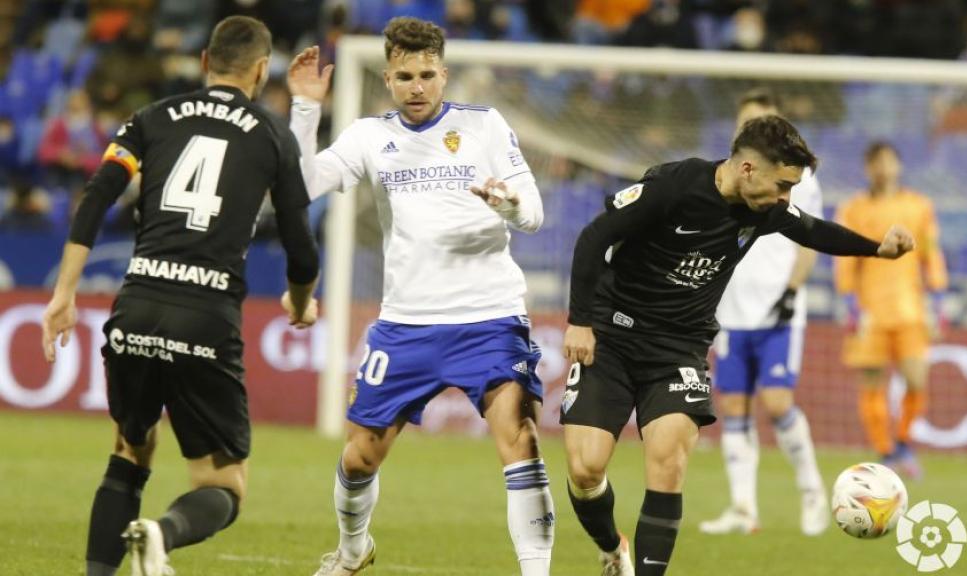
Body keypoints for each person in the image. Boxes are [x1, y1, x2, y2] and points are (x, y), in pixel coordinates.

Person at [560, 115, 915, 576]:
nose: (786, 198)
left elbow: (812, 230)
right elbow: (594, 237)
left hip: (679, 349)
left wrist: (877, 248)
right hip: (611, 336)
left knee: (667, 464)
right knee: (586, 469)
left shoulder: (766, 209)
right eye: (783, 185)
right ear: (748, 169)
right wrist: (580, 322)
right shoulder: (673, 186)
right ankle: (611, 548)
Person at [41, 16, 320, 576]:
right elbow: (302, 249)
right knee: (224, 484)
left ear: (205, 62)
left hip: (137, 306)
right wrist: (297, 300)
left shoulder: (151, 117)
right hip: (205, 318)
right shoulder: (272, 135)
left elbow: (96, 196)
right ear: (261, 70)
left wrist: (64, 294)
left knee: (129, 450)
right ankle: (160, 535)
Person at [286, 17, 554, 576]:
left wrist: (507, 204)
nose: (417, 87)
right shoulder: (369, 136)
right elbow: (303, 185)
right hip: (407, 322)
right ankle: (353, 550)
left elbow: (533, 212)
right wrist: (306, 109)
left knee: (520, 439)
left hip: (489, 316)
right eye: (405, 76)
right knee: (360, 456)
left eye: (427, 75)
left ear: (443, 75)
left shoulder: (483, 125)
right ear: (387, 78)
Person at [699, 89, 828, 536]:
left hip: (777, 309)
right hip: (731, 312)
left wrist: (792, 291)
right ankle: (743, 508)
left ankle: (813, 492)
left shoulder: (799, 179)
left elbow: (812, 239)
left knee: (777, 402)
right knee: (733, 405)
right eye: (745, 120)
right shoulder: (729, 175)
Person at [835, 141, 948, 480]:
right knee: (872, 384)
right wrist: (849, 300)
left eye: (888, 161)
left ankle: (904, 443)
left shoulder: (918, 206)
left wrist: (938, 296)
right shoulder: (853, 209)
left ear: (899, 166)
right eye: (876, 162)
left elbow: (931, 252)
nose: (883, 169)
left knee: (917, 380)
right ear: (867, 168)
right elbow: (844, 257)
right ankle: (885, 452)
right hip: (870, 312)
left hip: (910, 310)